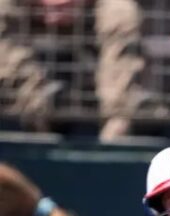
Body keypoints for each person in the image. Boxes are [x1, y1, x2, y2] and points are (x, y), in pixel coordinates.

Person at [0, 0, 150, 142]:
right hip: (28, 7)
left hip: (89, 7)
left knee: (122, 11)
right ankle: (35, 114)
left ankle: (115, 130)